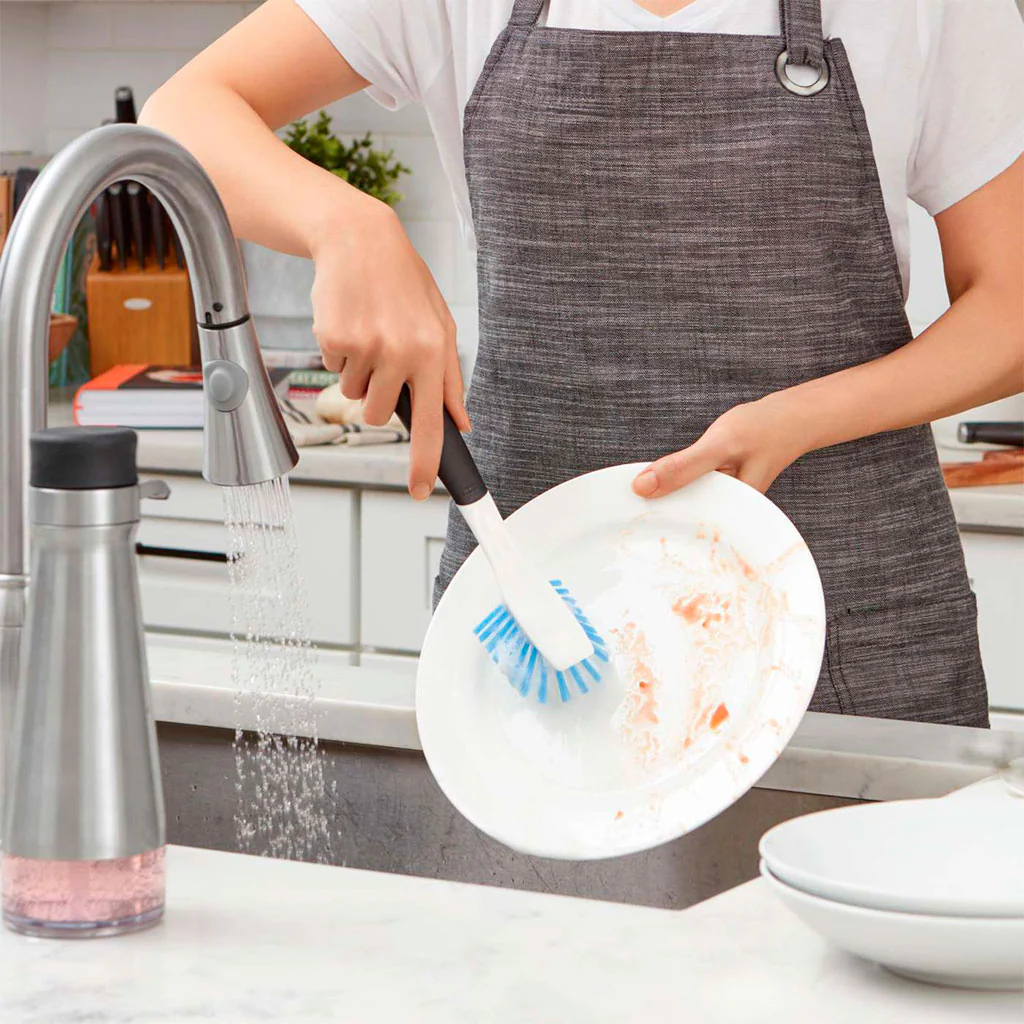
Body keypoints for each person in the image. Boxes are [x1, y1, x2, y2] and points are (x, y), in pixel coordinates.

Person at [141, 0, 1024, 727]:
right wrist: (346, 226)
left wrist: (798, 419)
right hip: (545, 631)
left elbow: (1012, 308)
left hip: (849, 620)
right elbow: (184, 110)